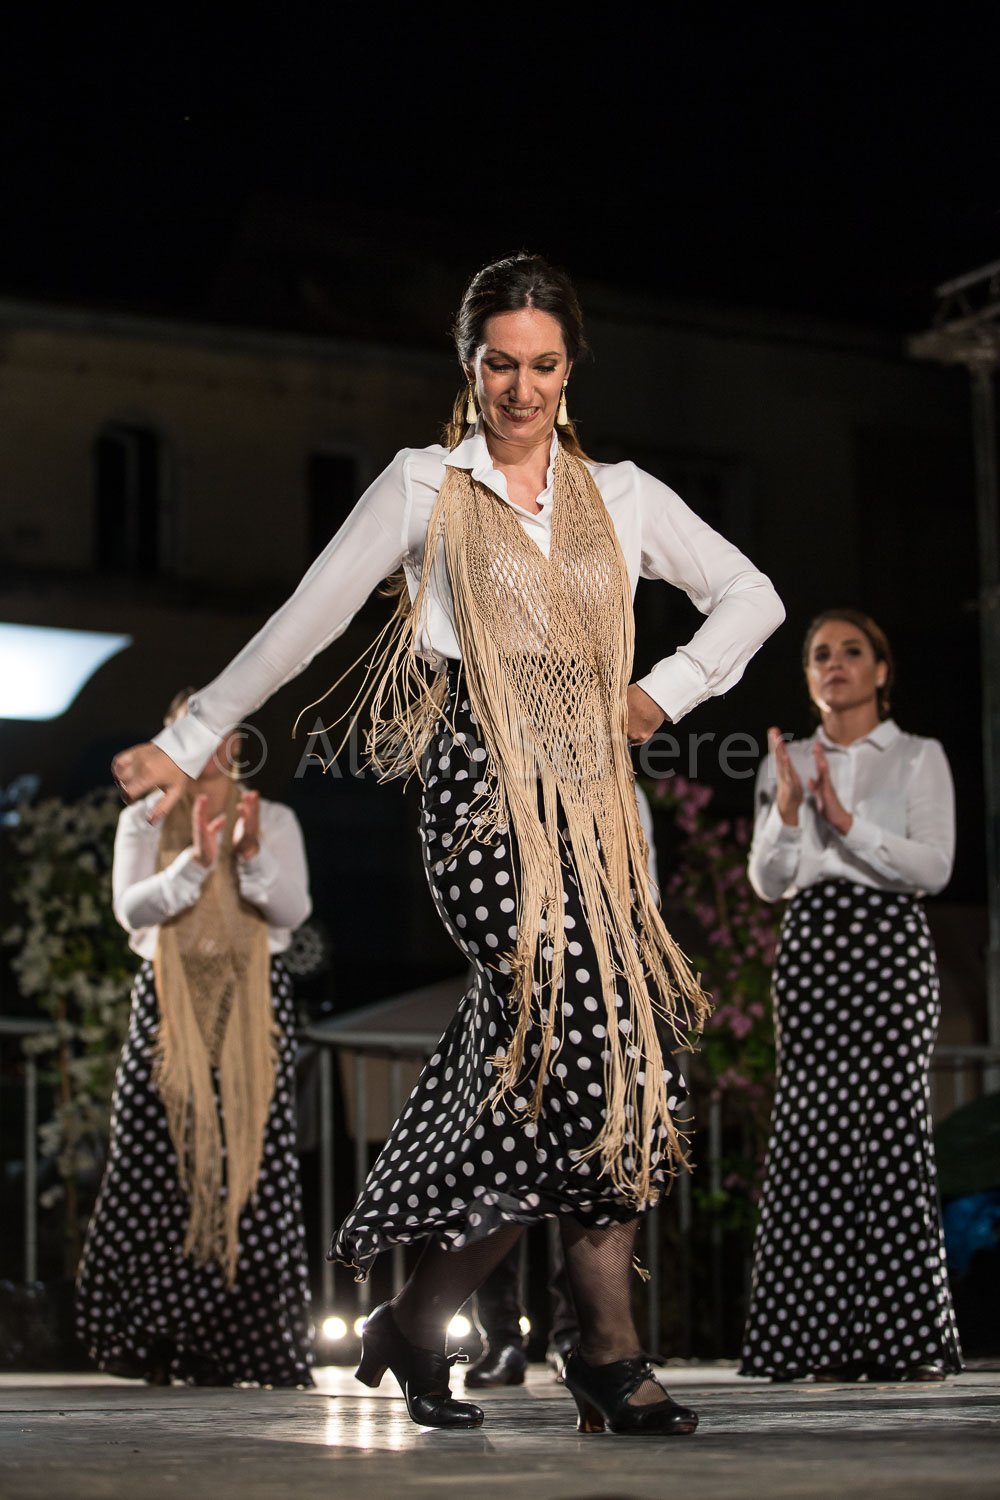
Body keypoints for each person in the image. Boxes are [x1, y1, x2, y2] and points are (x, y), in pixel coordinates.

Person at [112, 254, 784, 1433]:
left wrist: (659, 694)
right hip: (481, 798)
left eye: (542, 365)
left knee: (600, 1061)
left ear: (570, 370)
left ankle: (420, 1318)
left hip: (596, 810)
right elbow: (302, 623)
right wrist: (191, 736)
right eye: (498, 364)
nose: (519, 389)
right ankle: (602, 1344)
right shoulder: (422, 485)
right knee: (575, 1037)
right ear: (468, 365)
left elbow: (752, 595)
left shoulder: (622, 495)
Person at [740, 609, 963, 1383]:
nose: (834, 663)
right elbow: (767, 882)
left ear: (880, 670)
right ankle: (812, 1342)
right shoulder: (788, 760)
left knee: (893, 1132)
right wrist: (790, 815)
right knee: (813, 1134)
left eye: (851, 651)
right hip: (812, 947)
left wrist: (846, 823)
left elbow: (935, 868)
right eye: (820, 655)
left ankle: (904, 1340)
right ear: (809, 677)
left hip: (891, 946)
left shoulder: (918, 756)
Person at [77, 692, 314, 1387]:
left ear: (235, 743)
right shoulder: (143, 817)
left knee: (251, 1168)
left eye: (217, 732)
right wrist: (194, 864)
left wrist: (248, 855)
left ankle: (231, 1343)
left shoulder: (271, 816)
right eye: (187, 731)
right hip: (168, 1006)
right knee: (151, 1157)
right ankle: (152, 1335)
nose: (206, 746)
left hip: (252, 1005)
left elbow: (291, 911)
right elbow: (132, 911)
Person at [465, 784, 661, 1390]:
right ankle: (500, 1337)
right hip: (516, 985)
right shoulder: (501, 776)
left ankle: (579, 1338)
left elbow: (644, 897)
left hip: (598, 987)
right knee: (502, 1162)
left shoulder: (620, 788)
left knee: (590, 1158)